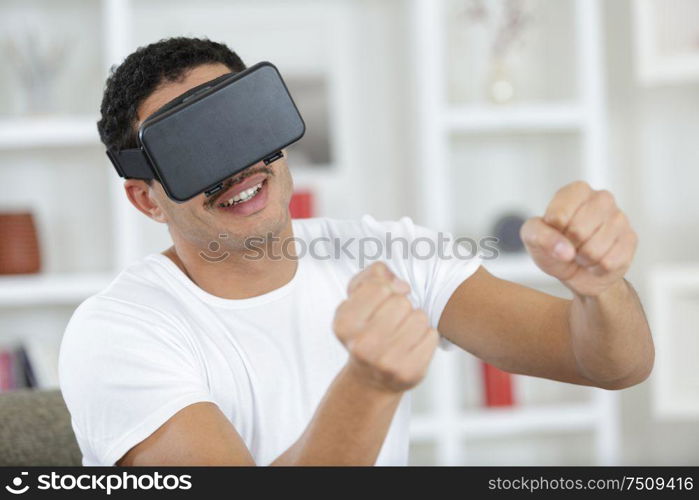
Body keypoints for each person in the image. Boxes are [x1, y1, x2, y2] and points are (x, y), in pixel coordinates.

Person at [59, 37, 653, 466]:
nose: (238, 166)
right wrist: (368, 385)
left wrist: (600, 290)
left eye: (239, 124)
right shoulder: (118, 332)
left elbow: (612, 364)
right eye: (193, 148)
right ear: (147, 201)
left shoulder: (384, 251)